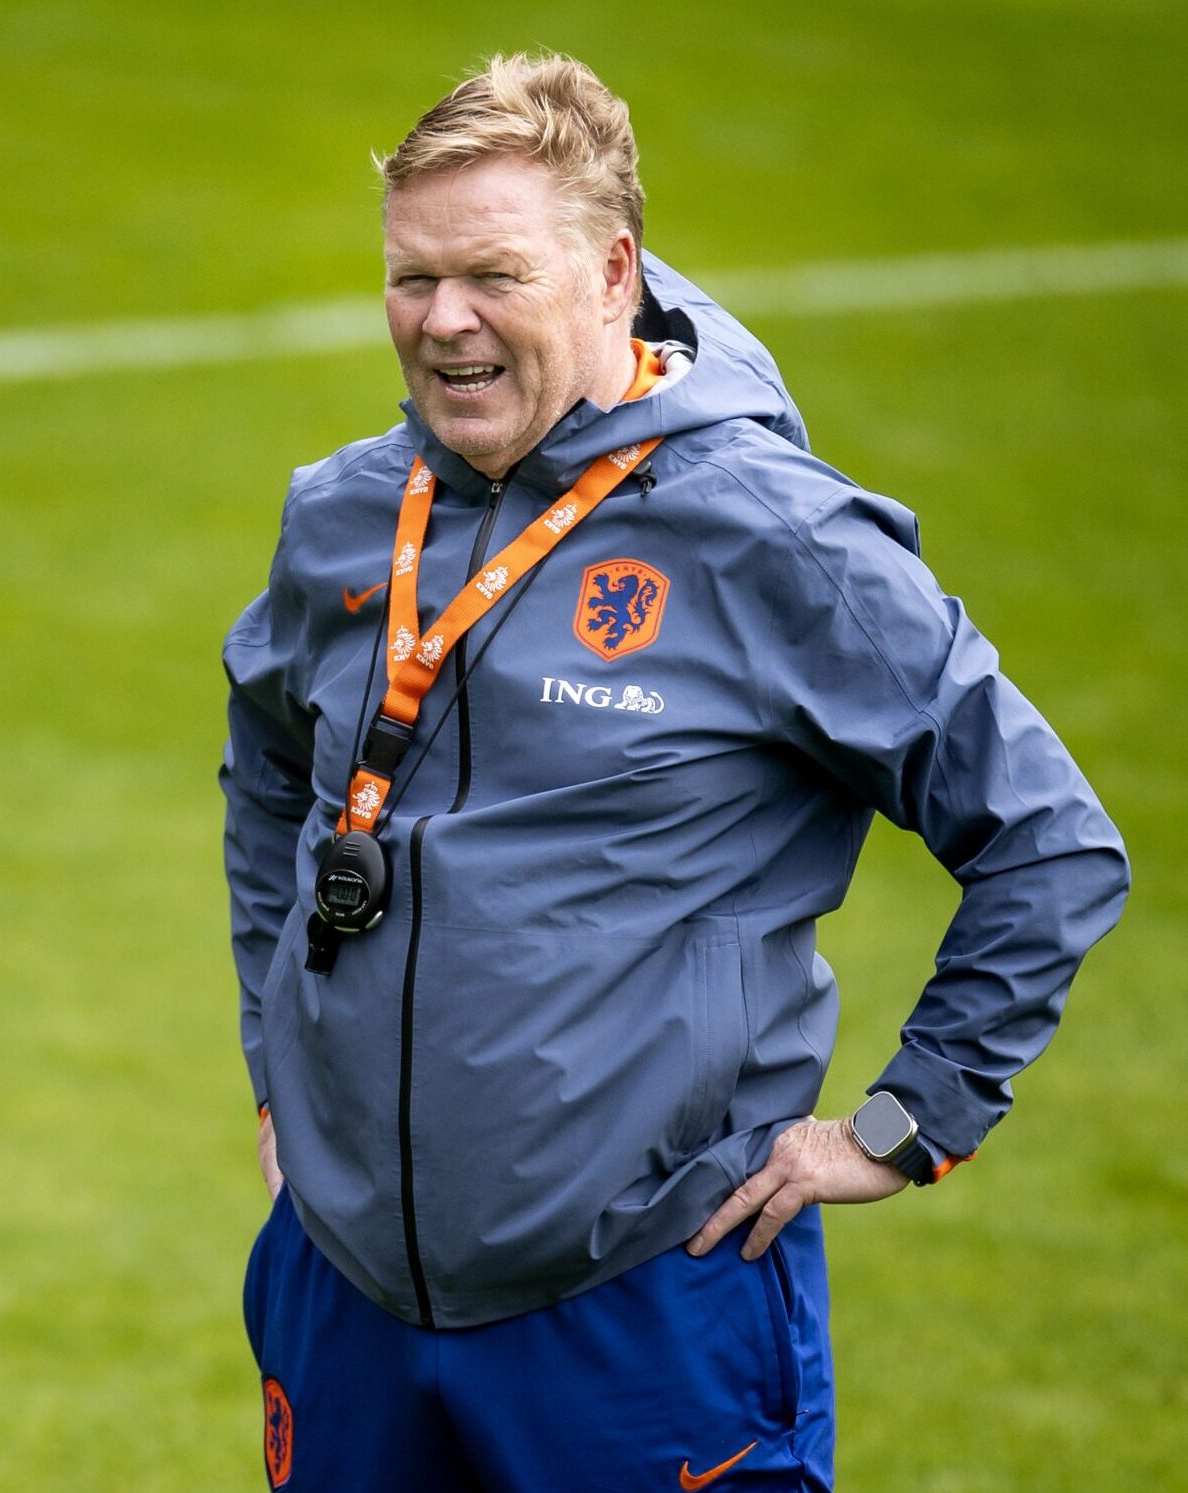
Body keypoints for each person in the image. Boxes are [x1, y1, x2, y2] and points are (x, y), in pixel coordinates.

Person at [220, 53, 1127, 1492]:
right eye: (411, 277)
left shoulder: (768, 539)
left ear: (609, 272)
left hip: (644, 1303)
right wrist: (278, 1073)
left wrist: (908, 1121)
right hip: (344, 1299)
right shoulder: (339, 516)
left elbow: (1048, 837)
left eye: (492, 275)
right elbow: (270, 764)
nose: (443, 319)